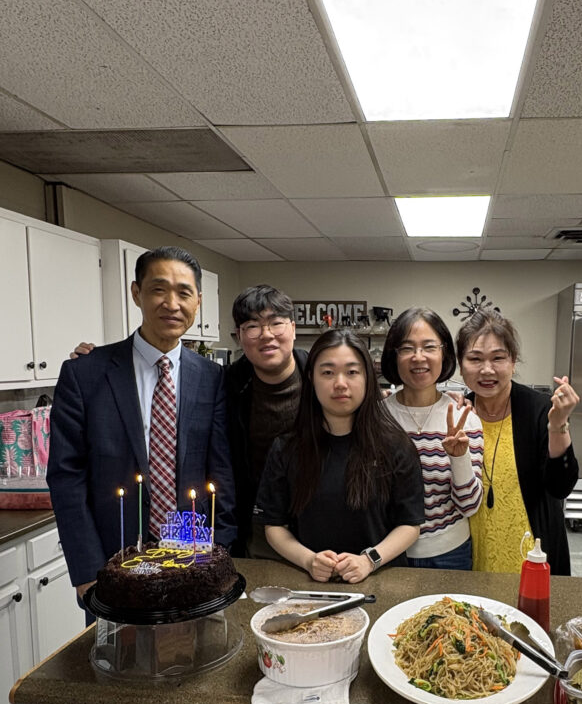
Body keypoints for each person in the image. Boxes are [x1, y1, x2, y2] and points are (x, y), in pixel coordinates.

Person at [48, 246, 236, 617]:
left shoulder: (211, 377)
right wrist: (86, 571)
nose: (172, 303)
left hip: (192, 562)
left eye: (184, 293)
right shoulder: (85, 374)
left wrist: (223, 553)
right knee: (117, 654)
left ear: (198, 302)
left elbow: (221, 470)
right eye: (158, 289)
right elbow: (66, 477)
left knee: (194, 650)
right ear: (136, 293)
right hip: (113, 565)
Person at [257, 329, 425, 583]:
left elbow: (410, 524)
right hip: (310, 584)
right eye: (327, 372)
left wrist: (369, 560)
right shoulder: (287, 447)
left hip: (380, 582)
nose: (340, 383)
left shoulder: (396, 445)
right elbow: (274, 525)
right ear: (311, 378)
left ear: (368, 378)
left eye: (352, 372)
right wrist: (309, 560)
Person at [455, 308, 579, 575]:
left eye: (498, 358)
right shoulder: (458, 415)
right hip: (471, 558)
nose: (487, 370)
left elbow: (560, 487)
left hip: (532, 560)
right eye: (475, 359)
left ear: (513, 362)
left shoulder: (538, 409)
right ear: (461, 365)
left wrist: (558, 424)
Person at [380, 307, 483, 569]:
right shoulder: (377, 417)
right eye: (407, 348)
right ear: (394, 355)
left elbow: (469, 506)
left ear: (444, 353)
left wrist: (459, 457)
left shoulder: (462, 418)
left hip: (450, 553)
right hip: (388, 551)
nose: (418, 357)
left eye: (429, 347)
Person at [224, 285, 309, 558]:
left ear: (293, 328)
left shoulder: (320, 375)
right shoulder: (226, 386)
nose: (266, 335)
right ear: (239, 336)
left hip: (319, 515)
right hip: (257, 523)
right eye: (252, 326)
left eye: (276, 323)